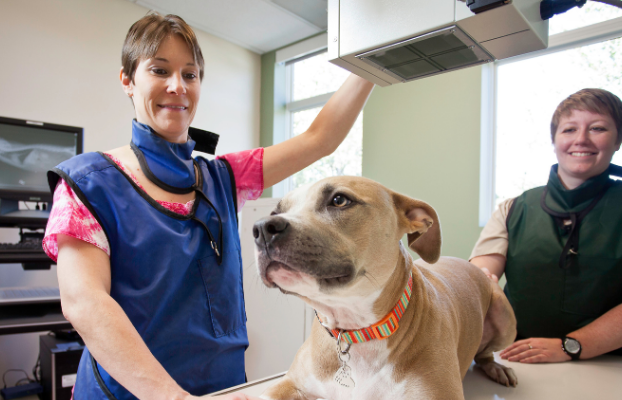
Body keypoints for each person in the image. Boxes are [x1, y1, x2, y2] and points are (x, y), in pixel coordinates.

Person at [41, 13, 374, 400]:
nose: (177, 86)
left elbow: (320, 138)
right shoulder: (87, 185)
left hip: (221, 388)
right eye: (159, 70)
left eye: (190, 74)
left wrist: (371, 54)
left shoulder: (223, 177)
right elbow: (83, 302)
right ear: (128, 81)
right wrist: (173, 397)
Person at [470, 88, 622, 364]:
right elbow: (481, 274)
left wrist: (571, 346)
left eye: (598, 128)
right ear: (554, 140)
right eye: (569, 130)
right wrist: (478, 284)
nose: (581, 139)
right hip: (524, 359)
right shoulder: (513, 208)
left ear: (619, 140)